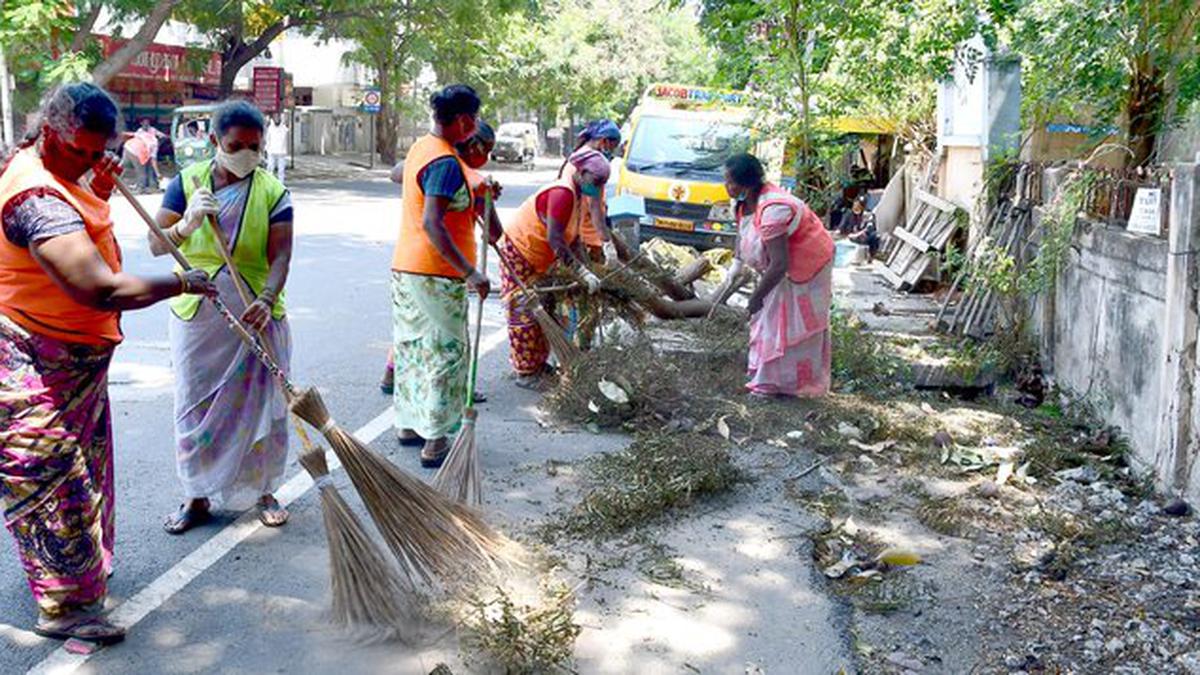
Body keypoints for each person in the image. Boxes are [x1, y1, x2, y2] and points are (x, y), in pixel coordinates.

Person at [0, 83, 216, 644]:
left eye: (103, 152)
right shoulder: (35, 199)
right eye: (85, 151)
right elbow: (98, 286)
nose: (99, 162)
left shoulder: (64, 176)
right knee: (54, 479)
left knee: (85, 472)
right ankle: (63, 607)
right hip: (33, 359)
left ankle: (79, 575)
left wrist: (94, 185)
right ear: (50, 135)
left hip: (74, 364)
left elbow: (89, 224)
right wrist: (182, 281)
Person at [152, 100, 295, 534]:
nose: (247, 154)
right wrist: (186, 223)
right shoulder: (186, 184)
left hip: (256, 316)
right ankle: (195, 495)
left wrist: (268, 298)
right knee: (194, 406)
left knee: (264, 408)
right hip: (200, 315)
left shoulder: (273, 191)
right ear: (215, 141)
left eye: (255, 147)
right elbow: (158, 245)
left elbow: (281, 254)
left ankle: (264, 491)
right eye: (237, 145)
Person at [391, 85, 487, 467]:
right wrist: (471, 272)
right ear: (463, 120)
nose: (476, 127)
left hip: (406, 269)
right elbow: (433, 223)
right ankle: (435, 439)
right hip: (437, 272)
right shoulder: (445, 162)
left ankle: (409, 425)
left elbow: (397, 176)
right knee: (446, 355)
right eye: (475, 119)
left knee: (413, 349)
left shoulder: (422, 148)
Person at [380, 122, 503, 397]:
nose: (487, 158)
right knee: (445, 342)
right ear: (474, 146)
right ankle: (449, 398)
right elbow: (495, 233)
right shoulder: (468, 177)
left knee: (413, 329)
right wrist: (486, 198)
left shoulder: (428, 155)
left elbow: (397, 172)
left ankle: (392, 374)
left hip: (408, 263)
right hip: (442, 268)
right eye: (488, 150)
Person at [716, 153, 834, 398]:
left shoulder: (773, 210)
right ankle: (768, 376)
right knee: (770, 319)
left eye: (730, 182)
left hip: (806, 267)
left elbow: (779, 264)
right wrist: (736, 267)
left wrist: (756, 297)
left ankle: (785, 384)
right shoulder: (744, 203)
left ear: (747, 184)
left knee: (790, 324)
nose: (726, 186)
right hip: (780, 268)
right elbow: (743, 234)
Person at [497, 149, 608, 388]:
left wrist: (588, 269)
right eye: (596, 182)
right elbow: (556, 239)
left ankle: (538, 364)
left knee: (544, 308)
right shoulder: (562, 194)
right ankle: (525, 372)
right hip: (520, 251)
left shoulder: (578, 196)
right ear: (580, 172)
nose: (598, 188)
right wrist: (579, 272)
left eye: (602, 183)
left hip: (539, 258)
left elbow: (574, 240)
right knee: (523, 309)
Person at [559, 119, 623, 267]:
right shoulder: (593, 167)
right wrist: (607, 244)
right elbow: (594, 208)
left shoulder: (580, 159)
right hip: (586, 237)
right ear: (604, 141)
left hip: (580, 234)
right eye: (612, 148)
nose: (611, 153)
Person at [133, 118, 166, 192]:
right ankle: (145, 183)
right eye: (144, 122)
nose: (146, 124)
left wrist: (158, 142)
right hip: (144, 150)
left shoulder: (153, 130)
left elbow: (163, 136)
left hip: (152, 148)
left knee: (153, 163)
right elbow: (136, 140)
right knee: (144, 166)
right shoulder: (139, 131)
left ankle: (157, 177)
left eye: (147, 122)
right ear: (141, 123)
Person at [265, 113, 289, 183]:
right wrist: (267, 150)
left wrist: (284, 115)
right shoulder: (270, 128)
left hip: (281, 152)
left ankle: (281, 185)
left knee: (281, 171)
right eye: (275, 118)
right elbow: (267, 139)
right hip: (271, 152)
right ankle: (270, 184)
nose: (277, 120)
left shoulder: (284, 127)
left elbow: (287, 121)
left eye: (278, 118)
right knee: (270, 169)